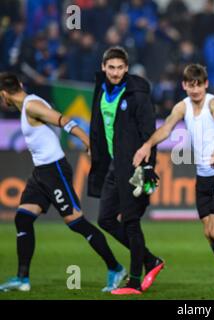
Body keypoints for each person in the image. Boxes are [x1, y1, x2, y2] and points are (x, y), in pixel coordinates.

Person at [133, 64, 214, 295]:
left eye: (199, 84)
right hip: (202, 176)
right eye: (190, 85)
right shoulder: (182, 106)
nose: (195, 90)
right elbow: (165, 129)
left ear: (206, 84)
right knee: (209, 234)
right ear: (184, 85)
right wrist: (147, 145)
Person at [0, 72, 126, 293]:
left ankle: (115, 268)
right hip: (41, 173)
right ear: (19, 84)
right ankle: (22, 279)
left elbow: (64, 120)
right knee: (23, 218)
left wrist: (88, 142)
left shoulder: (31, 106)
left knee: (77, 223)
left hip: (54, 170)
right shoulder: (28, 105)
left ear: (4, 94)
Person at [88, 46, 163, 295]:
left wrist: (149, 164)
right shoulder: (101, 90)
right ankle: (150, 260)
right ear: (103, 67)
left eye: (120, 68)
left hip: (134, 166)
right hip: (112, 164)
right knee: (105, 219)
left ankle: (134, 282)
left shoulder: (137, 95)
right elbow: (99, 125)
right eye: (111, 67)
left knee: (131, 221)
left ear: (127, 68)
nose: (116, 72)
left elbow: (149, 133)